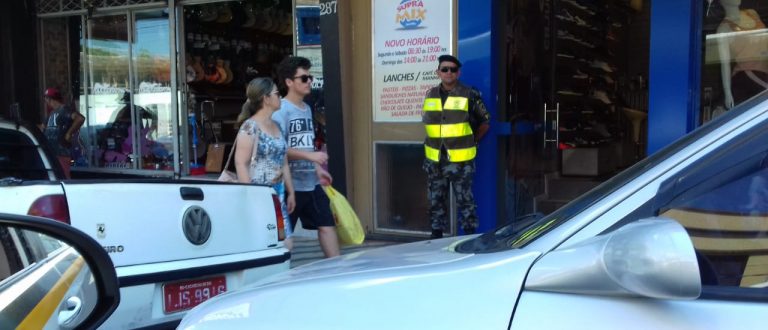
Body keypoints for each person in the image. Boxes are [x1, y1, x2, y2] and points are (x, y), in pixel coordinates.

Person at [272, 56, 340, 258]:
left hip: (311, 182)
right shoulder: (280, 111)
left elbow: (307, 143)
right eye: (303, 78)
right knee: (284, 237)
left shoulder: (307, 109)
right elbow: (278, 150)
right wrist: (312, 157)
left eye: (310, 77)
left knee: (327, 225)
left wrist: (318, 169)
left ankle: (338, 271)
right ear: (289, 82)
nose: (309, 81)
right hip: (289, 184)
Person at [422, 55, 490, 239]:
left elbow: (485, 122)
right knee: (435, 200)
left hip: (461, 161)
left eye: (452, 69)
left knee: (465, 201)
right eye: (444, 69)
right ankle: (436, 236)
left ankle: (469, 237)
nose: (448, 72)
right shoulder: (430, 94)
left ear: (458, 72)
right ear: (438, 72)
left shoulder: (469, 94)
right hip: (435, 159)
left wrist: (473, 142)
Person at [234, 78, 296, 249]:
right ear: (266, 98)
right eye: (277, 94)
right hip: (259, 196)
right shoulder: (250, 127)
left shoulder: (277, 125)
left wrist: (291, 191)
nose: (280, 97)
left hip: (278, 197)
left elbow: (283, 162)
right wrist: (250, 194)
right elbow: (240, 163)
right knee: (268, 244)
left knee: (285, 243)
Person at [717, 0, 768, 109]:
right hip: (747, 75)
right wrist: (727, 92)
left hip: (763, 74)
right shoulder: (724, 29)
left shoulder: (752, 13)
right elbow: (724, 64)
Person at [43, 87, 84, 179]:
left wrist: (69, 133)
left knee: (63, 177)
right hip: (52, 152)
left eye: (46, 99)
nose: (46, 102)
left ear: (49, 99)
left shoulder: (64, 110)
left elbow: (80, 118)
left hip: (62, 152)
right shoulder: (52, 113)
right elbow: (43, 127)